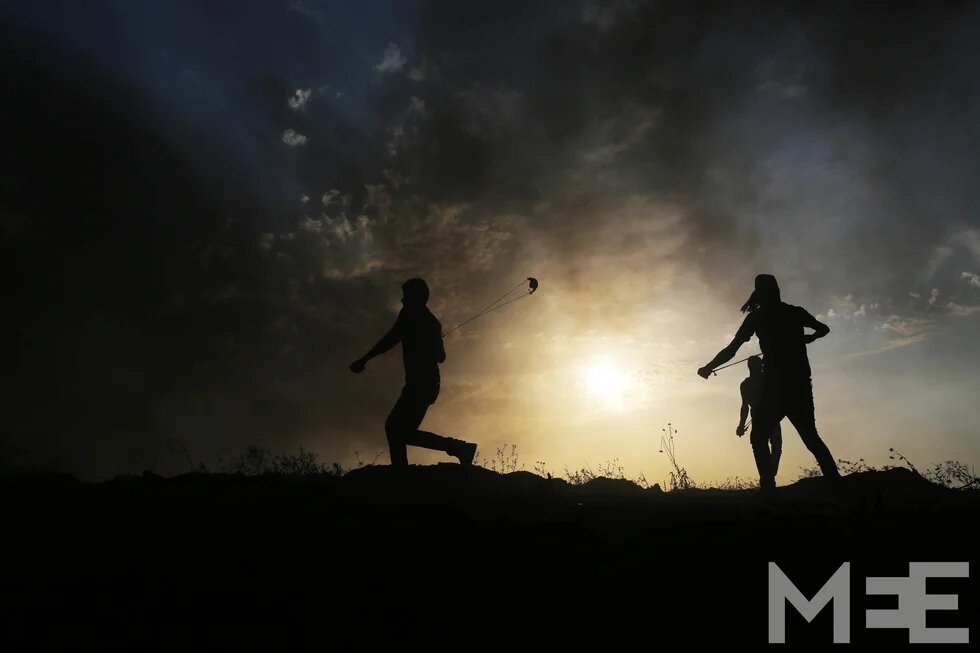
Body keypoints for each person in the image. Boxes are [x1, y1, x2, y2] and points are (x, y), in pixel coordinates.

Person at [698, 274, 839, 490]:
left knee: (759, 438)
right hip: (800, 384)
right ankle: (835, 482)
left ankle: (768, 487)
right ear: (777, 291)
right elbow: (824, 329)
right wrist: (808, 338)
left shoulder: (757, 317)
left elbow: (732, 350)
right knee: (811, 438)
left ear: (759, 293)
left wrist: (709, 367)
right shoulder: (795, 312)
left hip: (775, 387)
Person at [350, 278, 477, 467]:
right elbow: (441, 357)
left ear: (416, 297)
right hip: (427, 384)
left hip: (420, 385)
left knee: (395, 429)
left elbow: (390, 340)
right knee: (400, 431)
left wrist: (364, 360)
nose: (402, 300)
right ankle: (457, 448)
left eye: (406, 295)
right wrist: (435, 340)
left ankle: (407, 470)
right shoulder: (432, 322)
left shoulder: (410, 314)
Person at [736, 356, 782, 480]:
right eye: (759, 365)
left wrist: (741, 425)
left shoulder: (749, 383)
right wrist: (741, 424)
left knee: (769, 447)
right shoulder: (762, 380)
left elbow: (745, 406)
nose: (761, 367)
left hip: (767, 416)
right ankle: (768, 476)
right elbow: (745, 406)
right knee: (770, 446)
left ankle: (769, 476)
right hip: (768, 417)